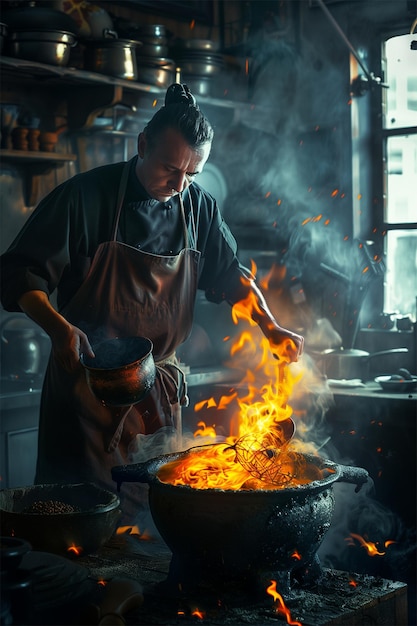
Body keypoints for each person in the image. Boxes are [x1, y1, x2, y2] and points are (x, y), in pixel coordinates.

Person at [0, 83, 304, 524]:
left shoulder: (198, 209)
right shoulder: (86, 198)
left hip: (158, 402)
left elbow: (232, 275)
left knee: (155, 529)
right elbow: (20, 273)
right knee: (80, 528)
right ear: (142, 145)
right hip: (86, 398)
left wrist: (270, 326)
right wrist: (58, 327)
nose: (179, 184)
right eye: (169, 168)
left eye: (192, 175)